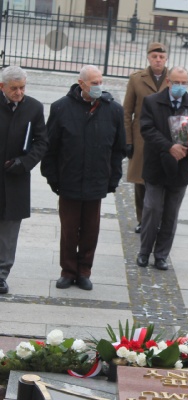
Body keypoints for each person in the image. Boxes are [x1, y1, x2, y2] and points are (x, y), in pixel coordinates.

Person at [41, 65, 126, 291]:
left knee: (90, 230)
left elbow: (118, 149)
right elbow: (51, 147)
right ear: (81, 84)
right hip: (68, 180)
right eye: (93, 83)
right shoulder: (61, 107)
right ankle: (68, 271)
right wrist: (52, 177)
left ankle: (84, 271)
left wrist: (113, 178)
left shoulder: (114, 110)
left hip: (96, 181)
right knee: (69, 230)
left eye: (100, 82)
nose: (98, 86)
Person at [136, 66, 188, 271]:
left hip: (181, 167)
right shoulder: (152, 102)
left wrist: (187, 148)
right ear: (168, 82)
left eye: (184, 83)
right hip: (156, 165)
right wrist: (169, 146)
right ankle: (144, 251)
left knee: (171, 214)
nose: (180, 87)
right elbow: (147, 129)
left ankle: (161, 255)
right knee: (152, 209)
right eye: (176, 83)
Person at [0, 66, 48, 295]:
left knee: (9, 232)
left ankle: (1, 274)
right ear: (2, 87)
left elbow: (41, 142)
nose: (19, 92)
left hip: (15, 179)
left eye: (22, 87)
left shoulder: (34, 107)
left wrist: (25, 163)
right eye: (14, 88)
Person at [123, 42, 169, 235]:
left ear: (166, 59)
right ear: (148, 58)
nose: (158, 60)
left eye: (161, 57)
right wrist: (128, 141)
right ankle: (143, 220)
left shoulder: (173, 79)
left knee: (164, 181)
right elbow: (127, 112)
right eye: (154, 57)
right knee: (141, 182)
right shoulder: (136, 79)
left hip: (166, 138)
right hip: (142, 138)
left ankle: (159, 220)